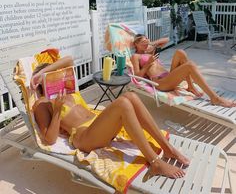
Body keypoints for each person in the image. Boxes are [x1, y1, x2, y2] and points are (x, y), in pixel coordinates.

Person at [30, 56, 189, 179]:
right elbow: (49, 140)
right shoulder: (42, 103)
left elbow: (69, 59)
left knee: (131, 96)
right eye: (51, 77)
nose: (58, 77)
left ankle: (167, 148)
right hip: (85, 138)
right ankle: (155, 163)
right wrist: (57, 110)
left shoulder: (67, 91)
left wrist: (44, 71)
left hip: (98, 128)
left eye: (56, 74)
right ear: (41, 83)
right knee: (122, 104)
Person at [131, 34, 236, 108]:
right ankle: (215, 98)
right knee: (190, 65)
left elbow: (166, 40)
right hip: (160, 82)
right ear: (136, 44)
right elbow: (137, 76)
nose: (145, 43)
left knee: (180, 52)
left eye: (146, 40)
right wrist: (148, 64)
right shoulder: (136, 56)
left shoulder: (150, 50)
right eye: (142, 41)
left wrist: (150, 43)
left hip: (169, 76)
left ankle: (190, 86)